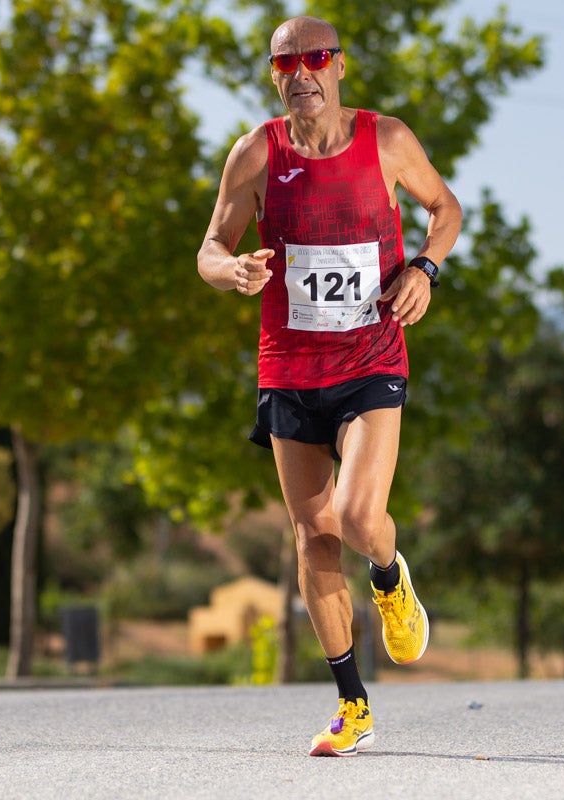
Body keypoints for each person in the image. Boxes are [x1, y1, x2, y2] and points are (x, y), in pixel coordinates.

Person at [197, 16, 462, 756]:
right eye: (287, 62)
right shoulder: (256, 153)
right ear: (275, 75)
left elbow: (447, 210)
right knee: (312, 537)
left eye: (315, 58)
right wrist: (232, 270)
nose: (302, 72)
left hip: (372, 358)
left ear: (340, 66)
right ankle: (353, 706)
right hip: (288, 368)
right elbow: (210, 247)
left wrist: (424, 270)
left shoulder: (388, 139)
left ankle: (388, 572)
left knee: (355, 517)